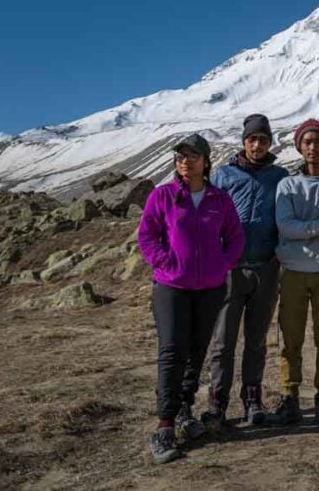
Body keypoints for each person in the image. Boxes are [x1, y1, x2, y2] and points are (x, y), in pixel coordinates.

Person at [137, 134, 245, 464]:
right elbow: (147, 235)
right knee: (172, 350)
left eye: (192, 155)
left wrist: (222, 264)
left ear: (206, 161)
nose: (185, 161)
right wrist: (165, 263)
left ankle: (184, 410)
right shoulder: (163, 196)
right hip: (171, 287)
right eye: (180, 156)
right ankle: (165, 424)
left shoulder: (218, 199)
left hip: (210, 288)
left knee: (197, 351)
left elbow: (235, 236)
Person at [203, 114, 289, 430]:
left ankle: (253, 400)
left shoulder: (280, 177)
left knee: (256, 341)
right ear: (244, 142)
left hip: (265, 268)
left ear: (269, 143)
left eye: (263, 140)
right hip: (230, 270)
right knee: (223, 342)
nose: (257, 145)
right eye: (252, 139)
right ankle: (217, 403)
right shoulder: (224, 176)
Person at [269, 119, 319, 428]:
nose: (312, 147)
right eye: (307, 142)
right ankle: (290, 396)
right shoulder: (287, 185)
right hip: (292, 272)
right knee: (290, 339)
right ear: (300, 148)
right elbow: (285, 226)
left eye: (317, 142)